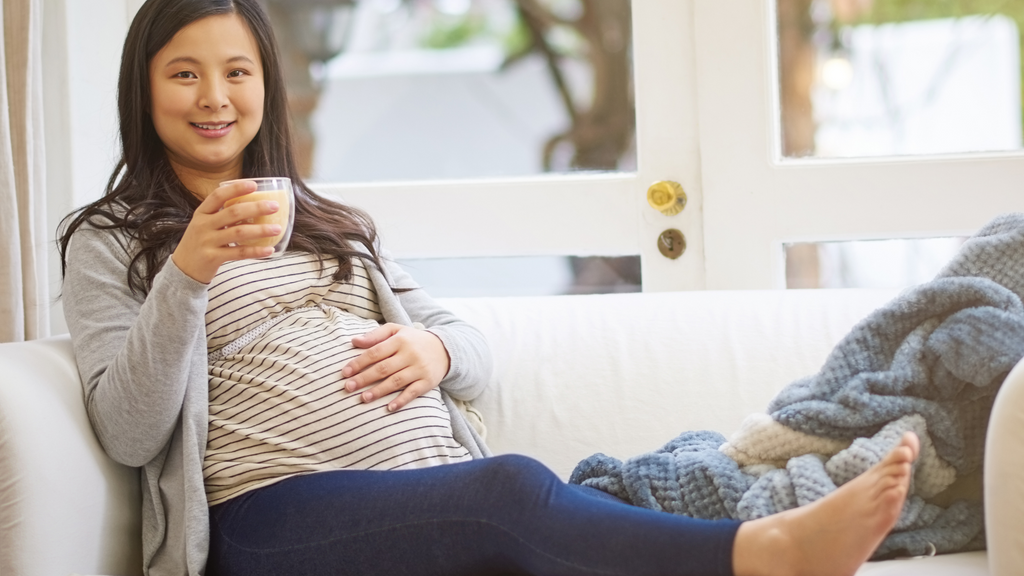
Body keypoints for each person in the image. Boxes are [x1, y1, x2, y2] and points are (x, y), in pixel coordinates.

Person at [57, 1, 921, 575]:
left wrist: (433, 348)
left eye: (237, 72)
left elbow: (470, 350)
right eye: (184, 73)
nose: (215, 96)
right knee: (509, 492)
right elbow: (129, 430)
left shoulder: (327, 220)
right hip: (271, 512)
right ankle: (762, 555)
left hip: (418, 487)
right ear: (145, 86)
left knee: (551, 505)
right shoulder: (110, 238)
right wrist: (189, 273)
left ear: (265, 88)